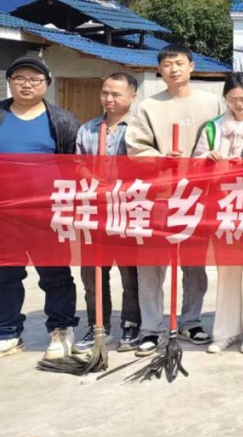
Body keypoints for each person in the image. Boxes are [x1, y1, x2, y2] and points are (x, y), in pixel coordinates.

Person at [125, 44, 223, 356]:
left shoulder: (211, 103)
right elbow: (135, 146)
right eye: (167, 64)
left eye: (179, 63)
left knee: (194, 265)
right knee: (151, 266)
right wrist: (160, 158)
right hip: (159, 196)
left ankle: (190, 320)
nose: (174, 69)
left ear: (192, 66)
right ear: (160, 70)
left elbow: (220, 139)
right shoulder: (149, 106)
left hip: (197, 195)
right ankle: (151, 328)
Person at [0, 57, 80, 360]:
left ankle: (61, 328)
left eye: (35, 79)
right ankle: (7, 331)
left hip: (47, 212)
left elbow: (74, 166)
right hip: (4, 212)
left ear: (47, 84)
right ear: (9, 82)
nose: (27, 84)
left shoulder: (62, 120)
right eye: (19, 78)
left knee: (55, 273)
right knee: (5, 274)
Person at [193, 72, 243, 355]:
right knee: (226, 270)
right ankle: (225, 332)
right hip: (222, 205)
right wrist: (208, 159)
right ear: (224, 98)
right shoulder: (212, 127)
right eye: (232, 99)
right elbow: (195, 164)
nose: (238, 105)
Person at [72, 72, 142, 355]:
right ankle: (98, 324)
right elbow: (77, 163)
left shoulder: (139, 129)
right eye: (105, 93)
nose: (109, 99)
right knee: (92, 275)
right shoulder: (88, 129)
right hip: (94, 212)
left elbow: (148, 167)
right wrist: (89, 176)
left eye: (116, 94)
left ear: (132, 96)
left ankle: (131, 323)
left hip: (128, 211)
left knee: (130, 274)